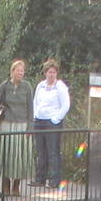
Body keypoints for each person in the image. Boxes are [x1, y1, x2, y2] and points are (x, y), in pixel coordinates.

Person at [0, 58, 33, 196]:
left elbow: (31, 108)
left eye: (22, 71)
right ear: (12, 71)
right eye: (18, 70)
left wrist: (30, 127)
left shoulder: (27, 87)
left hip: (22, 124)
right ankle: (5, 184)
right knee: (7, 154)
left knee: (20, 156)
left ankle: (16, 185)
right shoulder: (3, 86)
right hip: (7, 124)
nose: (20, 73)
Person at [31, 60, 70, 188]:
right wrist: (35, 116)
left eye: (53, 72)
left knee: (53, 152)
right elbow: (35, 102)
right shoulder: (40, 86)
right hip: (39, 121)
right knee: (40, 151)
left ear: (56, 73)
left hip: (52, 123)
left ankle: (54, 180)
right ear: (45, 73)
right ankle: (40, 179)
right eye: (49, 72)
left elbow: (65, 105)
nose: (51, 74)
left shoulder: (60, 86)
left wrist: (56, 119)